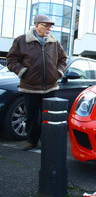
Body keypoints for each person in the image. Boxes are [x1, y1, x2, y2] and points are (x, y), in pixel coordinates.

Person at [6, 15, 67, 151]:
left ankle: (47, 142)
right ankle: (32, 141)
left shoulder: (54, 42)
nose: (49, 28)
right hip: (30, 87)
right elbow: (11, 60)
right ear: (36, 25)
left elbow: (63, 59)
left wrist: (58, 73)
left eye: (50, 26)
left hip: (50, 87)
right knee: (32, 116)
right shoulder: (22, 40)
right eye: (46, 25)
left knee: (49, 118)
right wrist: (22, 72)